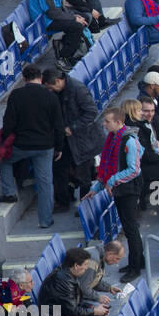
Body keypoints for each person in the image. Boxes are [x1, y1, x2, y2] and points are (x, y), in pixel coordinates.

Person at [0, 66, 63, 229]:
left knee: (3, 161)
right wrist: (59, 148)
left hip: (21, 145)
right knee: (46, 183)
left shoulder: (16, 95)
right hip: (45, 147)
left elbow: (9, 122)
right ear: (40, 78)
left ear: (24, 79)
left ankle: (9, 192)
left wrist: (4, 141)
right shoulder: (51, 96)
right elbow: (59, 125)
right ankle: (45, 220)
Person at [80, 109, 145, 282]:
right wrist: (98, 187)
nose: (104, 124)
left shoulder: (129, 140)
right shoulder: (111, 139)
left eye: (107, 121)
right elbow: (108, 168)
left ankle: (136, 266)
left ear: (118, 122)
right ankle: (138, 261)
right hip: (118, 189)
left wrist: (112, 181)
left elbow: (134, 169)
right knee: (129, 227)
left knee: (131, 229)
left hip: (129, 190)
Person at [41, 68, 103, 212]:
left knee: (84, 174)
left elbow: (92, 112)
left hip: (84, 140)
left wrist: (72, 127)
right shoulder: (59, 92)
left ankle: (85, 206)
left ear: (57, 81)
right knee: (59, 167)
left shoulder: (78, 89)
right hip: (68, 140)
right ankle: (63, 201)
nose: (50, 91)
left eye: (51, 87)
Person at [28, 0, 92, 71]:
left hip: (55, 15)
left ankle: (63, 46)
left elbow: (59, 7)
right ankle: (63, 57)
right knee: (76, 26)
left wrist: (74, 16)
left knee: (84, 17)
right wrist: (73, 18)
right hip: (45, 21)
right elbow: (51, 12)